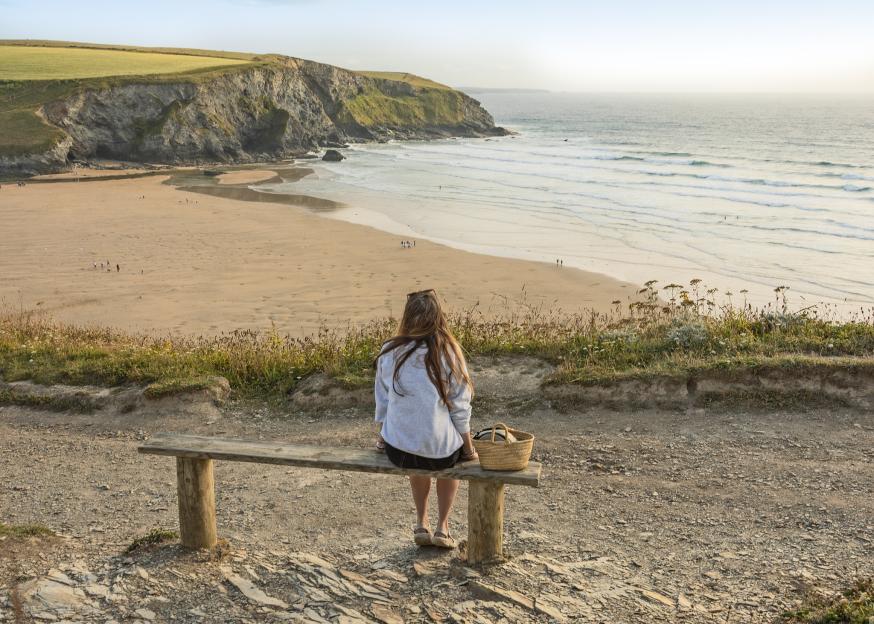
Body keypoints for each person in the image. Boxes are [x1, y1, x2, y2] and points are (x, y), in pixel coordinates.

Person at [374, 289, 478, 549]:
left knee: (416, 442)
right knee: (445, 450)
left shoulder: (390, 350)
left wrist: (382, 439)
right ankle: (442, 527)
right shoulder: (449, 351)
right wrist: (468, 448)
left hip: (399, 451)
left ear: (407, 318)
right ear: (438, 317)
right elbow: (460, 406)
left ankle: (422, 521)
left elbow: (384, 401)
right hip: (439, 454)